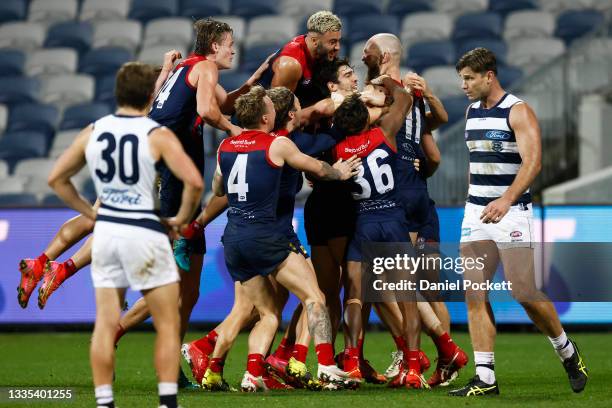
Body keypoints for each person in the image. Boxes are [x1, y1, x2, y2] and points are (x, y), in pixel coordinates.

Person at [47, 62, 203, 408]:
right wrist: (178, 218)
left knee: (105, 324)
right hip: (144, 232)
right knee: (166, 323)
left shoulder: (94, 130)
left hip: (107, 236)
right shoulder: (156, 133)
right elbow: (193, 181)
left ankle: (104, 401)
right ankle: (167, 401)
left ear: (117, 94)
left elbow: (57, 179)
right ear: (151, 95)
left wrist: (90, 212)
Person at [449, 47, 588, 397]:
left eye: (469, 78)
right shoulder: (471, 111)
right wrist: (473, 197)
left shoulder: (518, 110)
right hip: (476, 213)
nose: (463, 85)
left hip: (512, 211)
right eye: (461, 79)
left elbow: (533, 163)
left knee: (522, 291)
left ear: (488, 76)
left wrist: (506, 199)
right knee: (474, 293)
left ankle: (567, 351)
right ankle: (486, 378)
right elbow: (475, 162)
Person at [213, 85, 360, 391]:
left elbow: (218, 189)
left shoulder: (224, 147)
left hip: (233, 239)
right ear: (267, 116)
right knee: (315, 297)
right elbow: (315, 167)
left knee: (266, 313)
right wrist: (339, 172)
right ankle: (326, 366)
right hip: (266, 236)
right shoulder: (276, 144)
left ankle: (251, 375)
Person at [16, 50, 184, 310]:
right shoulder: (156, 114)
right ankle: (65, 271)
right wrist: (166, 71)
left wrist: (164, 69)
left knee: (93, 219)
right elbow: (156, 98)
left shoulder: (113, 119)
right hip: (140, 176)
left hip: (117, 168)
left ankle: (41, 263)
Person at [361, 33, 468, 387]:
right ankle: (444, 363)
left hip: (397, 191)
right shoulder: (414, 95)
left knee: (389, 285)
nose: (363, 55)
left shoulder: (380, 90)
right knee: (429, 289)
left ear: (386, 55)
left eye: (369, 51)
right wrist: (423, 170)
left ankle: (413, 358)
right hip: (422, 193)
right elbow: (434, 155)